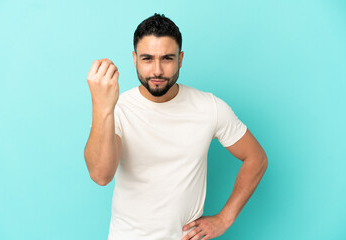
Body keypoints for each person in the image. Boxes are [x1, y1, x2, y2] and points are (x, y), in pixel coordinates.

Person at [84, 13, 268, 240]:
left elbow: (256, 158)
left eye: (167, 59)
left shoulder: (209, 107)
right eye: (147, 59)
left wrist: (224, 219)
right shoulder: (117, 109)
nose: (157, 71)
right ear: (134, 59)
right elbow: (101, 175)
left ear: (180, 59)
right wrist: (102, 107)